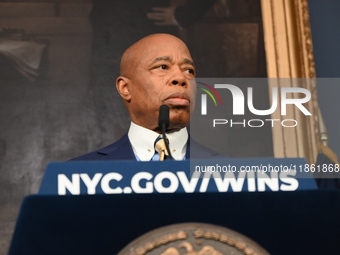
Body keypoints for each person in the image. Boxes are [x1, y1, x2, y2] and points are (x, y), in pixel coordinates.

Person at [72, 33, 223, 161]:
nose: (181, 78)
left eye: (189, 70)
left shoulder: (233, 173)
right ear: (125, 88)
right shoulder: (77, 175)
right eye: (163, 67)